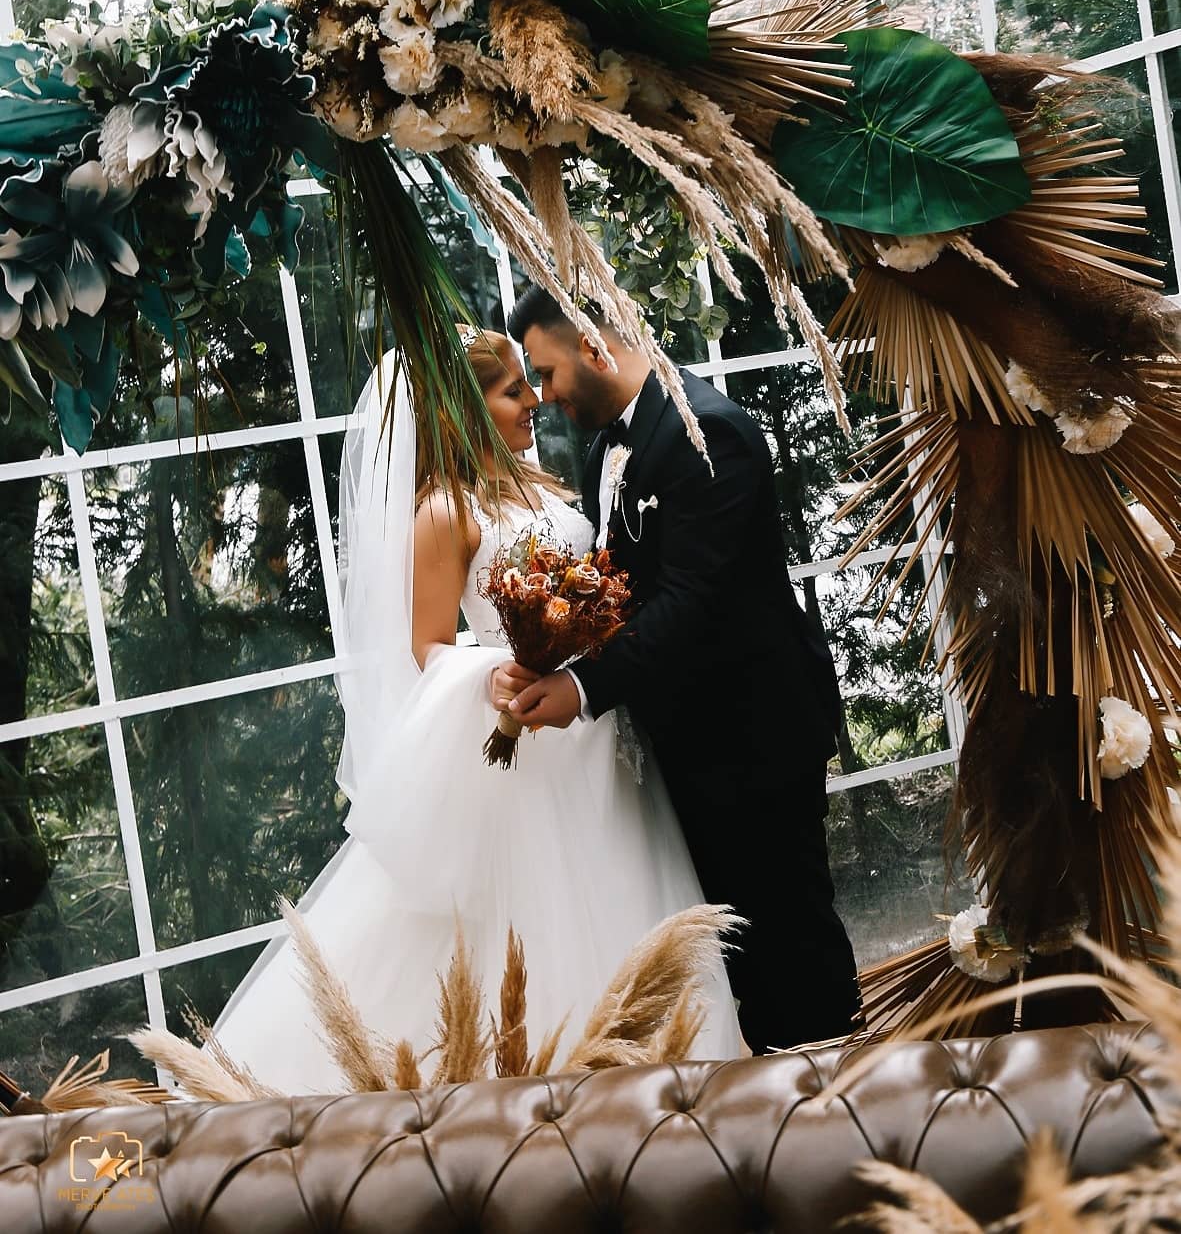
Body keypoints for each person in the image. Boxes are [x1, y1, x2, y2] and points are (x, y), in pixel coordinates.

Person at [211, 328, 741, 1092]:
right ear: (462, 410)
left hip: (602, 738)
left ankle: (674, 1077)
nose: (534, 402)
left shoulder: (546, 485)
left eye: (529, 383)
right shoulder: (443, 512)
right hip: (530, 746)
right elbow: (424, 645)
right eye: (513, 390)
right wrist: (497, 668)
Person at [502, 288, 861, 1053]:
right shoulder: (605, 451)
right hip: (685, 748)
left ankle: (836, 1089)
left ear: (593, 345)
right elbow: (620, 595)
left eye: (546, 370)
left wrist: (581, 688)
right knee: (737, 957)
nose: (545, 394)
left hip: (754, 736)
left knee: (791, 941)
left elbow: (691, 600)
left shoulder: (708, 433)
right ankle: (775, 1100)